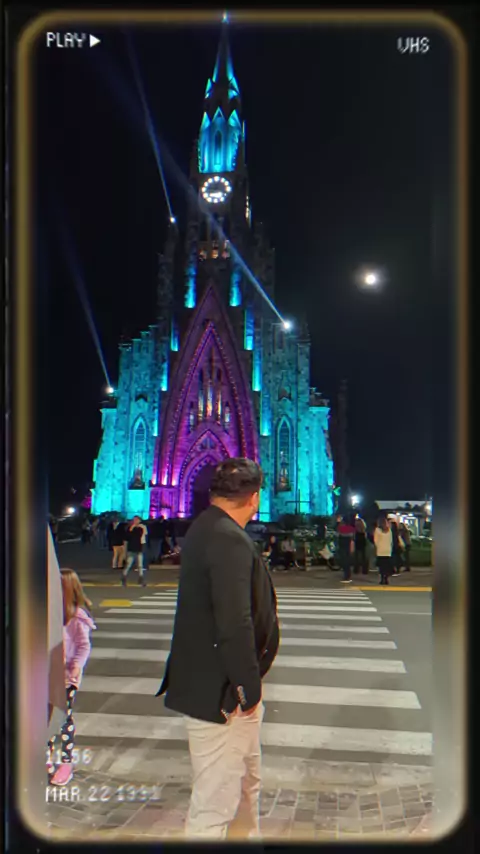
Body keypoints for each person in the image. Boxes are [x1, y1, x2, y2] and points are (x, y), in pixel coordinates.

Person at [157, 458, 279, 840]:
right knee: (214, 807)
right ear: (255, 498)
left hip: (216, 689)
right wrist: (247, 690)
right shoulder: (227, 537)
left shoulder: (206, 527)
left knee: (243, 788)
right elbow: (234, 621)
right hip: (222, 697)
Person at [47, 569, 96, 786]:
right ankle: (46, 757)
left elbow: (84, 646)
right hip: (47, 674)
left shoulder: (77, 617)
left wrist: (75, 666)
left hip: (67, 677)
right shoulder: (50, 614)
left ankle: (66, 762)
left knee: (63, 719)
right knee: (44, 718)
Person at [122, 516, 148, 586]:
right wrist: (131, 528)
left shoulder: (141, 528)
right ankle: (124, 576)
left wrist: (133, 529)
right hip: (131, 548)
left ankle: (141, 579)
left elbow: (140, 535)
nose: (135, 521)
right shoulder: (130, 528)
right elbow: (127, 537)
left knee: (140, 565)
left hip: (139, 548)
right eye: (134, 520)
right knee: (129, 564)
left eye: (137, 520)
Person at [374, 516, 394, 585]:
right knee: (386, 565)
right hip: (388, 550)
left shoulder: (377, 530)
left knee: (381, 566)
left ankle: (382, 579)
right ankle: (386, 578)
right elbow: (391, 540)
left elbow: (376, 541)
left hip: (380, 550)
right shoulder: (389, 530)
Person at [337, 514, 356, 583]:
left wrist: (338, 523)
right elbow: (353, 538)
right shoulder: (352, 528)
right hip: (349, 546)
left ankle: (346, 576)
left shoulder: (340, 528)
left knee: (344, 561)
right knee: (348, 561)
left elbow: (338, 535)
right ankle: (348, 575)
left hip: (342, 546)